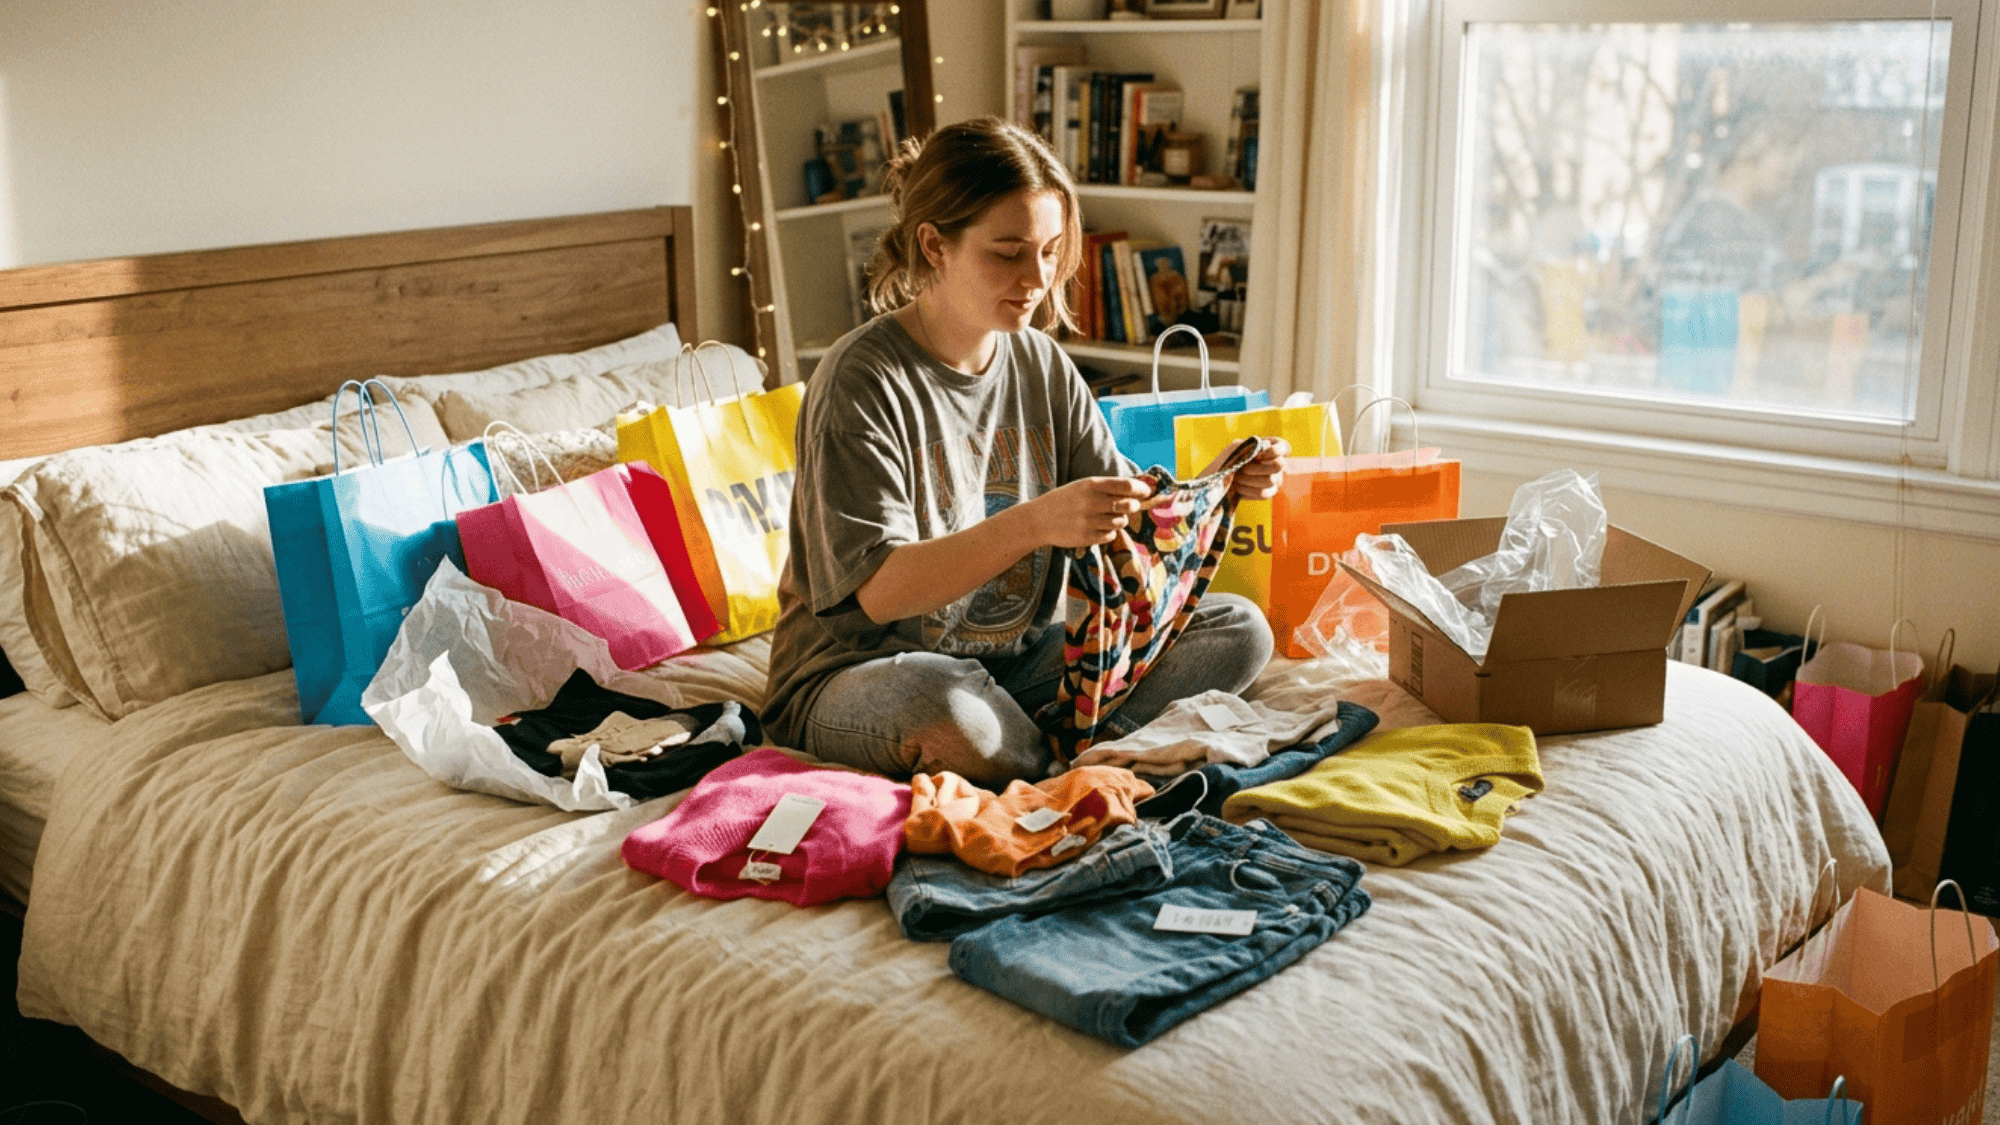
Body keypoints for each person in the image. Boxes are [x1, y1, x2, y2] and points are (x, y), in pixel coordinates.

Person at [761, 116, 1287, 786]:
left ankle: (1062, 755)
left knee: (1239, 629)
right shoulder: (859, 381)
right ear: (934, 245)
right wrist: (1037, 523)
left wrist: (1219, 482)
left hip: (1015, 658)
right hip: (860, 671)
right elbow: (881, 592)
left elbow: (1122, 521)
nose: (1036, 277)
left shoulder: (1042, 363)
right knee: (944, 709)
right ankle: (1072, 757)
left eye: (1049, 250)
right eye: (1007, 252)